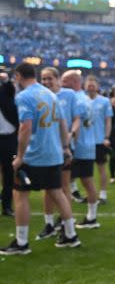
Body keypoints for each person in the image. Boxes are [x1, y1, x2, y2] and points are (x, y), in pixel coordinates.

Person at [1, 63, 79, 255]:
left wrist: (20, 157)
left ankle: (21, 242)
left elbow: (25, 127)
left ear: (18, 76)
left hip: (35, 154)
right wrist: (65, 147)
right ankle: (70, 235)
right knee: (57, 192)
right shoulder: (51, 94)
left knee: (20, 195)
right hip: (54, 153)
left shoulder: (24, 96)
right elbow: (62, 123)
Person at [37, 67, 80, 239]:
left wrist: (70, 135)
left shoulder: (68, 95)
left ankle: (64, 221)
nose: (46, 82)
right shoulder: (40, 96)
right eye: (43, 79)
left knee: (63, 186)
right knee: (47, 188)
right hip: (45, 147)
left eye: (49, 78)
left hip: (63, 147)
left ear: (57, 79)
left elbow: (77, 117)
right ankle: (49, 223)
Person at [61, 70, 100, 229]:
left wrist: (69, 144)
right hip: (87, 144)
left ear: (74, 82)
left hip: (79, 146)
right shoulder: (85, 99)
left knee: (71, 183)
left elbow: (75, 126)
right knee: (83, 181)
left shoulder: (76, 99)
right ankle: (90, 216)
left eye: (64, 81)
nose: (61, 84)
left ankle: (86, 218)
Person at [85, 76, 113, 204]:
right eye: (88, 84)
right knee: (87, 169)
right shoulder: (82, 100)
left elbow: (108, 121)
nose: (90, 87)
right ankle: (90, 193)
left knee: (101, 167)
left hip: (99, 139)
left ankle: (103, 194)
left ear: (97, 86)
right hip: (85, 140)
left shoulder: (105, 101)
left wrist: (107, 137)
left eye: (93, 84)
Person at [0, 67, 17, 217]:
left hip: (8, 137)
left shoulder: (6, 90)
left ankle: (6, 206)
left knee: (9, 174)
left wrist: (5, 79)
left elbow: (11, 89)